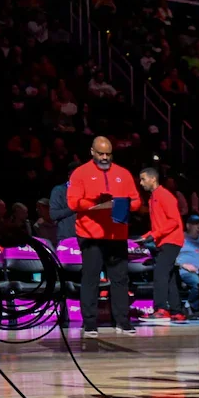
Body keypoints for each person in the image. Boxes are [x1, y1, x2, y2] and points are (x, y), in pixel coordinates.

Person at [68, 136, 142, 338]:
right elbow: (73, 202)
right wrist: (94, 202)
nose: (104, 157)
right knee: (91, 278)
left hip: (117, 233)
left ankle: (122, 321)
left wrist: (125, 204)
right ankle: (90, 323)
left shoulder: (123, 173)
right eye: (101, 153)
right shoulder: (80, 173)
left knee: (120, 279)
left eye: (108, 154)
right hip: (90, 234)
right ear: (92, 152)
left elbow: (136, 201)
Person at [138, 167, 187, 323]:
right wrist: (145, 237)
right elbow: (158, 225)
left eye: (143, 179)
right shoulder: (153, 197)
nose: (141, 183)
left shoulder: (165, 195)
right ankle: (176, 311)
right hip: (165, 240)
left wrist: (154, 235)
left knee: (160, 273)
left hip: (171, 240)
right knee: (169, 276)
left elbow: (174, 221)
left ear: (153, 179)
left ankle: (161, 310)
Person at [176, 215, 199, 317]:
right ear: (188, 226)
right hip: (184, 271)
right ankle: (192, 307)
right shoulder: (181, 238)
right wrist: (183, 265)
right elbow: (171, 257)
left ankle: (189, 305)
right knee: (197, 284)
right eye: (195, 224)